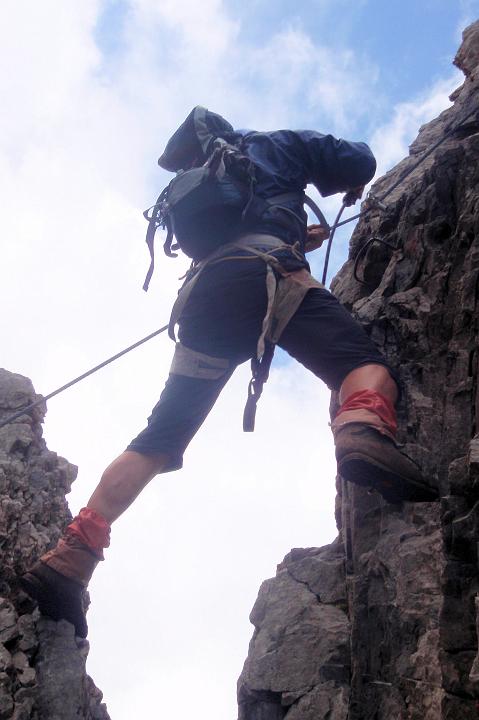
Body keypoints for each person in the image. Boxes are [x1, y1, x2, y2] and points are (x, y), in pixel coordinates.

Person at [21, 108, 438, 638]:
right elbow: (358, 158)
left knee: (159, 440)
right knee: (363, 367)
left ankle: (70, 557)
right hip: (271, 274)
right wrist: (347, 184)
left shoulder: (202, 185)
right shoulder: (275, 144)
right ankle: (361, 431)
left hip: (204, 299)